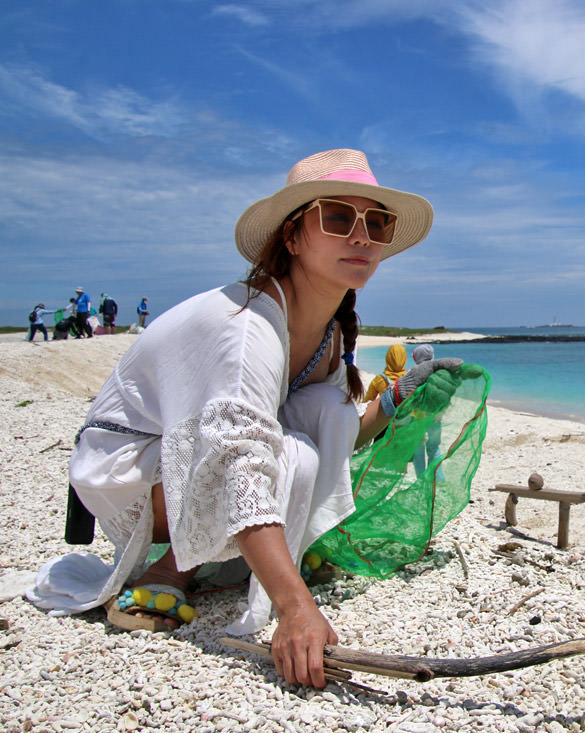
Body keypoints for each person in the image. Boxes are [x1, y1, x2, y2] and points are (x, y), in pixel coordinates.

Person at [28, 149, 463, 690]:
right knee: (288, 455)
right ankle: (171, 569)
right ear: (292, 236)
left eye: (377, 223)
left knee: (324, 410)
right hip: (128, 473)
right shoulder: (247, 324)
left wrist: (398, 400)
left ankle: (254, 554)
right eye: (337, 217)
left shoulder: (328, 334)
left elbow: (339, 432)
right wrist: (294, 607)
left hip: (184, 465)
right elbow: (239, 459)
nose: (362, 236)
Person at [409, 344, 444, 478]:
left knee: (418, 447)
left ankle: (421, 479)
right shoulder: (439, 372)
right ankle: (437, 478)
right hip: (436, 413)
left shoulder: (413, 371)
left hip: (418, 414)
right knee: (434, 446)